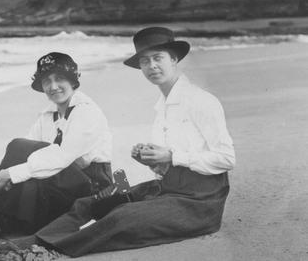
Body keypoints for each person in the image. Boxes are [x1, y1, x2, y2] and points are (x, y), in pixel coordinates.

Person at [26, 26, 236, 257]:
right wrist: (152, 160)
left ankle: (46, 251)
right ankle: (29, 242)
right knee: (91, 204)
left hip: (199, 203)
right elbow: (169, 164)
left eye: (158, 58)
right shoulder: (162, 106)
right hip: (166, 189)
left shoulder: (201, 100)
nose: (152, 66)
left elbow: (226, 159)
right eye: (145, 61)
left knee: (122, 216)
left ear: (174, 59)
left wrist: (171, 156)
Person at [0, 52, 113, 237]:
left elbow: (63, 157)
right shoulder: (48, 114)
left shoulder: (86, 111)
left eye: (60, 79)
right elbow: (22, 151)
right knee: (20, 154)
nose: (53, 87)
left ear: (72, 81)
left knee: (19, 155)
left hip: (92, 184)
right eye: (47, 81)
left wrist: (8, 174)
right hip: (60, 181)